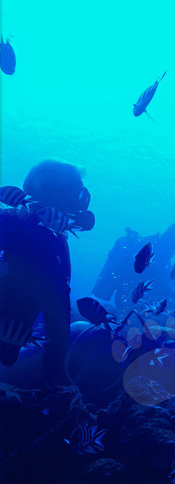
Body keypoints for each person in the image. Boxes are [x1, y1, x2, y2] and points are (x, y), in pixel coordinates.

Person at [0, 159, 92, 382]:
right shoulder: (12, 224)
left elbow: (57, 308)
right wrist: (57, 376)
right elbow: (57, 317)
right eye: (75, 194)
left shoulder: (56, 238)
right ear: (52, 194)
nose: (80, 204)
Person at [92, 222, 175, 312]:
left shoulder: (157, 247)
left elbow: (162, 276)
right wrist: (174, 293)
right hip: (130, 296)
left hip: (132, 294)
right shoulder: (158, 250)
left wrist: (174, 288)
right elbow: (158, 279)